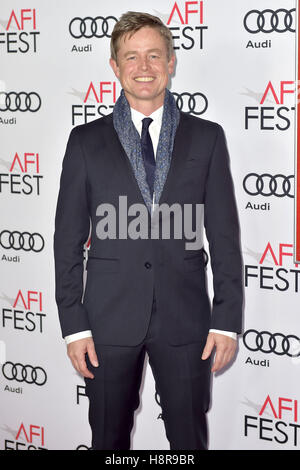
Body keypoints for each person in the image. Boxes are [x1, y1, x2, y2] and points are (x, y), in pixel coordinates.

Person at [54, 11, 243, 450]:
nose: (144, 67)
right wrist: (74, 325)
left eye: (154, 55)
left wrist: (227, 320)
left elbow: (225, 234)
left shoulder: (208, 138)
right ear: (115, 67)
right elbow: (66, 240)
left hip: (188, 321)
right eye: (132, 57)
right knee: (108, 441)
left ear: (172, 61)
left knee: (188, 443)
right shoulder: (84, 142)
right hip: (105, 323)